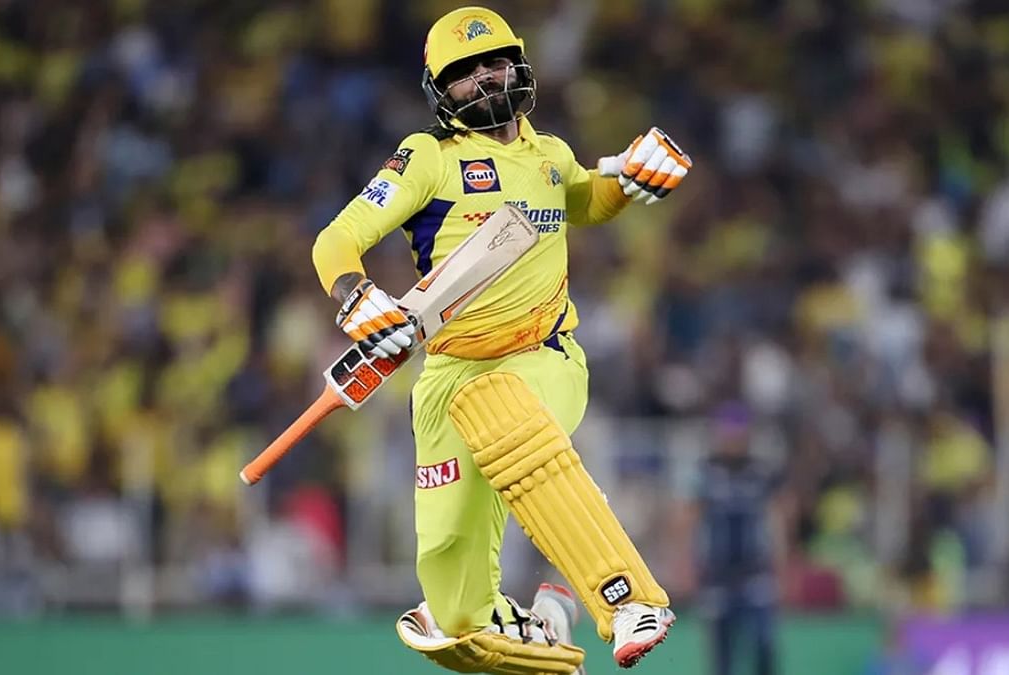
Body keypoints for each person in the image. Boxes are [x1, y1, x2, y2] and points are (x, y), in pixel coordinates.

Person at [310, 6, 692, 672]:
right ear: (439, 90)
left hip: (542, 354)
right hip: (448, 372)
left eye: (496, 63)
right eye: (466, 73)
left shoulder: (552, 155)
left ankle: (626, 597)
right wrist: (356, 296)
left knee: (505, 408)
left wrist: (630, 179)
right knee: (455, 599)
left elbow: (585, 198)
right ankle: (542, 617)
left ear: (519, 66)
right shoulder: (427, 158)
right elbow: (336, 239)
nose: (486, 79)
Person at [678, 402, 791, 675]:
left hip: (755, 572)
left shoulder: (761, 472)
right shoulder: (705, 473)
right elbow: (687, 519)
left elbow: (779, 517)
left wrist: (785, 563)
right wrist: (685, 564)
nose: (733, 442)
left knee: (764, 645)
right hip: (717, 574)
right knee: (721, 653)